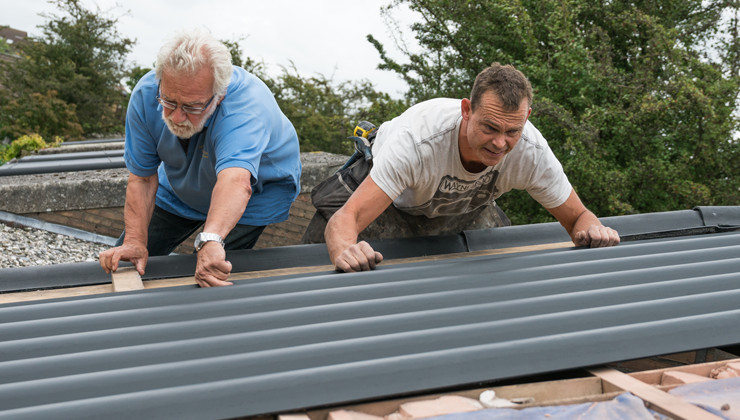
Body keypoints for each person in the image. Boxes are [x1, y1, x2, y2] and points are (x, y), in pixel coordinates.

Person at [310, 63, 619, 273]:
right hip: (392, 203)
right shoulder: (418, 143)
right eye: (490, 128)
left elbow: (579, 216)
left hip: (464, 208)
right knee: (319, 266)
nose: (500, 143)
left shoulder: (531, 151)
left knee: (497, 271)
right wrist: (345, 252)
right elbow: (345, 220)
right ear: (467, 110)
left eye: (512, 131)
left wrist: (592, 232)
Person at [99, 28, 302, 287]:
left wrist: (212, 239)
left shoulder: (245, 108)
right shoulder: (146, 93)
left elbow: (235, 181)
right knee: (127, 263)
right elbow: (142, 178)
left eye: (192, 107)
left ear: (220, 95)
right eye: (169, 102)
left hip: (253, 192)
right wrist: (135, 242)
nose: (177, 117)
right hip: (181, 183)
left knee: (211, 273)